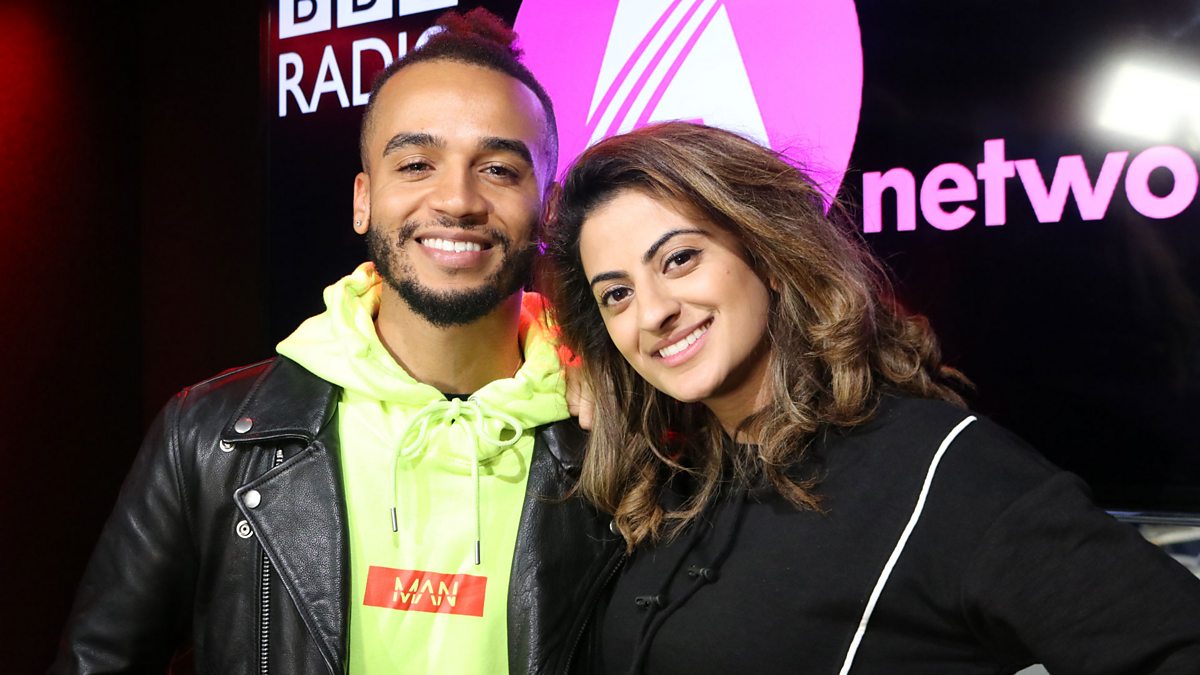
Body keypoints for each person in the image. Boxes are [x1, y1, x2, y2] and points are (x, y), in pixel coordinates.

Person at [51, 9, 612, 675]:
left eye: (498, 169)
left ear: (548, 209)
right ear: (362, 200)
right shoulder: (209, 437)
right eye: (416, 164)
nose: (456, 200)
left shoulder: (618, 439)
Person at [540, 121, 1200, 674]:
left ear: (768, 256)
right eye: (616, 294)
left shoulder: (945, 467)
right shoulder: (666, 485)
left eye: (680, 259)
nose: (652, 311)